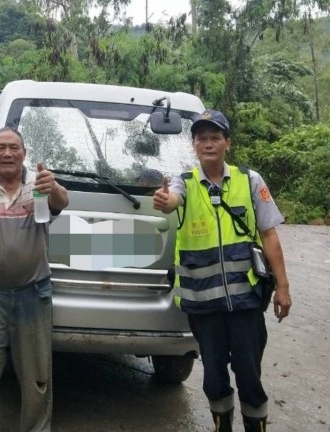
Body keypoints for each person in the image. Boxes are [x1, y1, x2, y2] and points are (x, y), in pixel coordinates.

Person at [153, 109, 292, 432]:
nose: (208, 143)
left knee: (249, 374)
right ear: (194, 146)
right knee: (214, 376)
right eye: (202, 138)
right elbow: (172, 199)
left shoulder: (249, 180)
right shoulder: (184, 182)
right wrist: (164, 200)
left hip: (246, 303)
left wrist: (283, 287)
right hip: (203, 305)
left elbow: (269, 234)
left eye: (215, 137)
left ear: (227, 143)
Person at [0, 127, 69, 432]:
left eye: (14, 148)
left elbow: (62, 201)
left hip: (34, 294)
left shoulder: (40, 184)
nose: (7, 153)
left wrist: (54, 186)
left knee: (37, 375)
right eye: (0, 147)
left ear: (24, 154)